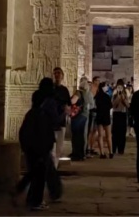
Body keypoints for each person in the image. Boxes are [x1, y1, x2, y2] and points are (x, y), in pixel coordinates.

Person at [17, 82, 62, 211]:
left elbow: (23, 132)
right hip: (39, 149)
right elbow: (43, 134)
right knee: (38, 175)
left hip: (32, 148)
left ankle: (27, 195)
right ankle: (34, 200)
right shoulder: (41, 115)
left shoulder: (32, 113)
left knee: (35, 173)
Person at [51, 67, 71, 165]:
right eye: (55, 73)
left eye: (59, 73)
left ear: (62, 76)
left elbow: (68, 104)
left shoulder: (64, 90)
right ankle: (52, 166)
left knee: (59, 147)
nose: (57, 75)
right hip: (52, 121)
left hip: (61, 120)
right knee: (52, 146)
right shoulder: (51, 89)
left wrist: (66, 111)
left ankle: (55, 165)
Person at [93, 78, 113, 158]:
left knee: (100, 135)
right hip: (106, 116)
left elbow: (94, 106)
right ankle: (111, 152)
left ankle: (102, 153)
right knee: (108, 135)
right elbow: (110, 106)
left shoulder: (97, 97)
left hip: (99, 116)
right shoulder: (107, 97)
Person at [111, 79, 130, 155]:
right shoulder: (114, 93)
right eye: (118, 86)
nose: (120, 88)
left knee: (122, 133)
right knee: (115, 132)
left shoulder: (126, 93)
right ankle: (114, 148)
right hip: (116, 114)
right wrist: (118, 97)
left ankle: (121, 149)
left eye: (121, 86)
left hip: (123, 114)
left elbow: (128, 105)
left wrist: (123, 98)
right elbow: (113, 105)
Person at [69, 88, 88, 161]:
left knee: (76, 135)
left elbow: (72, 101)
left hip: (77, 116)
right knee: (80, 135)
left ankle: (76, 154)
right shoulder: (86, 94)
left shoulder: (78, 93)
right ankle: (81, 154)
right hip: (84, 116)